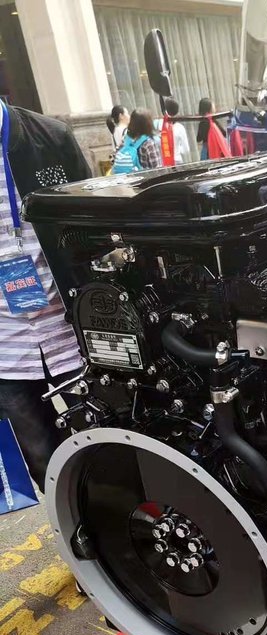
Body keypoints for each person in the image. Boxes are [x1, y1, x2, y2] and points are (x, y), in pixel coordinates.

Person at [0, 99, 91, 491]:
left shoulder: (51, 138)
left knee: (107, 447)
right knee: (46, 468)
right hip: (6, 350)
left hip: (69, 332)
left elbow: (92, 227)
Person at [112, 108, 162, 174]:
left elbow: (115, 155)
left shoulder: (126, 138)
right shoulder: (149, 143)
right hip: (147, 179)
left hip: (127, 178)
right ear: (148, 123)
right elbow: (157, 169)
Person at [154, 98, 190, 165]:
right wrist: (177, 149)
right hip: (177, 161)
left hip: (163, 162)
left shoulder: (158, 124)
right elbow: (186, 150)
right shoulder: (180, 128)